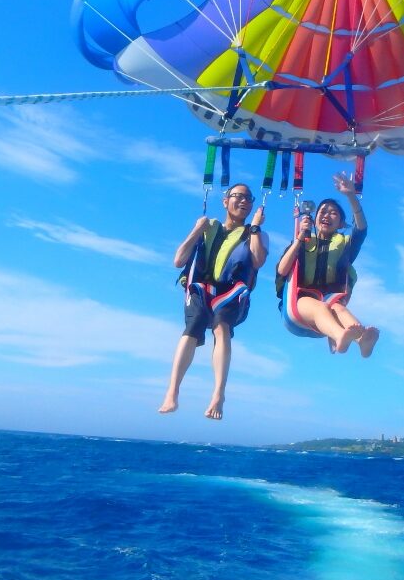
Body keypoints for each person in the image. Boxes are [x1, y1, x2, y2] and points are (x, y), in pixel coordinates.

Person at [158, 183, 267, 420]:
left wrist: (257, 227)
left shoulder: (254, 233)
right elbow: (178, 261)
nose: (243, 201)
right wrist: (197, 229)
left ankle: (218, 394)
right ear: (225, 201)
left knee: (221, 326)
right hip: (201, 288)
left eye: (248, 198)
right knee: (193, 325)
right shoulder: (208, 228)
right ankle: (172, 391)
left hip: (232, 292)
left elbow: (258, 261)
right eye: (237, 196)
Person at [276, 172, 379, 357]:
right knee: (322, 307)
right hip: (298, 307)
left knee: (338, 308)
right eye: (323, 211)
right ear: (315, 219)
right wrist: (300, 238)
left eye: (333, 213)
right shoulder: (302, 240)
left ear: (340, 224)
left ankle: (362, 340)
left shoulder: (344, 245)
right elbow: (282, 269)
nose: (327, 215)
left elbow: (361, 229)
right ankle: (340, 336)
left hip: (329, 304)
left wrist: (350, 196)